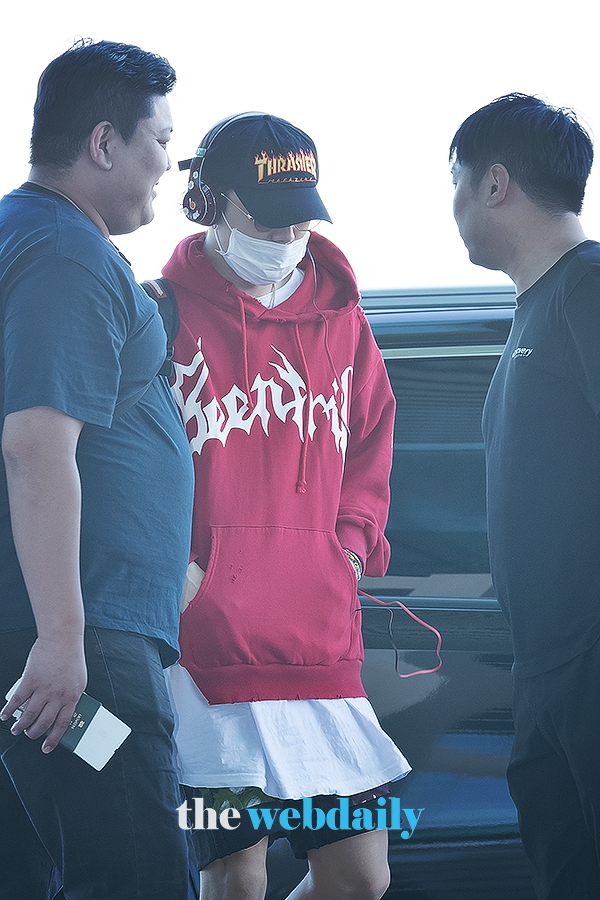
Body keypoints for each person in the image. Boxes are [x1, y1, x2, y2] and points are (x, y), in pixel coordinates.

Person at [158, 112, 411, 900]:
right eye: (270, 215)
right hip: (207, 660)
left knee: (361, 876)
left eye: (304, 208)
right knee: (235, 878)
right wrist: (176, 569)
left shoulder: (343, 321)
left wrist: (349, 541)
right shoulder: (158, 314)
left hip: (319, 648)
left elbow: (372, 431)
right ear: (210, 200)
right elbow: (119, 468)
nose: (292, 229)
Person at [0, 40, 195, 900]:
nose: (170, 162)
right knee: (135, 865)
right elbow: (37, 445)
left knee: (52, 865)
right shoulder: (65, 254)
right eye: (161, 139)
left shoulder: (48, 242)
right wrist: (64, 639)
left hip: (76, 639)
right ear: (106, 143)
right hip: (85, 658)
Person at [450, 93, 600, 900]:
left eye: (458, 185)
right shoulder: (534, 308)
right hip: (546, 669)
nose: (458, 208)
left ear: (495, 183)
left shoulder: (589, 288)